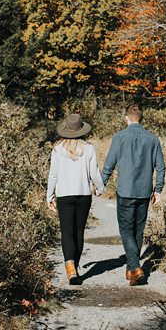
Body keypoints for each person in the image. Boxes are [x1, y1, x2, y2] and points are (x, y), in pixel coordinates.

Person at [101, 102, 166, 286]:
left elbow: (109, 164)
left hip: (126, 191)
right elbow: (160, 167)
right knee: (138, 230)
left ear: (126, 119)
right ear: (141, 119)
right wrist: (158, 190)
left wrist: (101, 183)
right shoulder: (153, 139)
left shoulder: (119, 137)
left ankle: (135, 267)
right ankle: (132, 270)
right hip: (145, 192)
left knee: (125, 229)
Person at [47, 112, 104, 285]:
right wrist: (100, 187)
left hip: (64, 195)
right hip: (83, 194)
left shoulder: (57, 149)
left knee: (66, 231)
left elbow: (53, 175)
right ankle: (75, 267)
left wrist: (49, 195)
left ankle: (70, 266)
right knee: (78, 231)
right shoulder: (89, 148)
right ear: (81, 130)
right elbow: (94, 172)